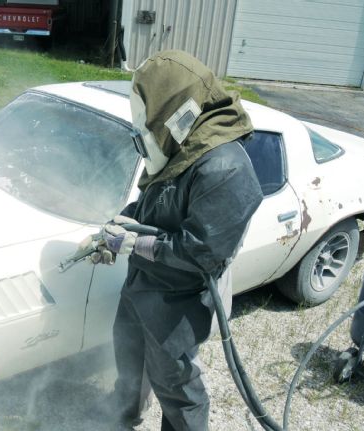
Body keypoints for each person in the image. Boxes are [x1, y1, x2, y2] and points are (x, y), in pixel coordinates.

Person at [90, 50, 264, 430]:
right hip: (145, 283)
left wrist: (134, 244)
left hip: (178, 302)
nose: (143, 125)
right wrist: (123, 223)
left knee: (176, 385)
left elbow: (202, 253)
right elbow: (157, 199)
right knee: (130, 356)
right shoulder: (183, 142)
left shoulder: (224, 168)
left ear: (171, 104)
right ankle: (123, 414)